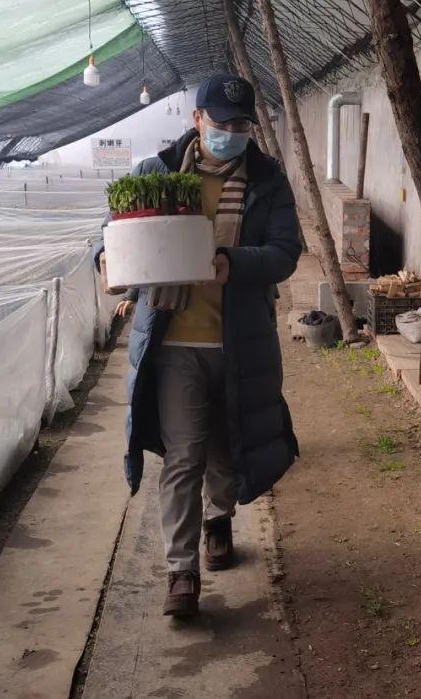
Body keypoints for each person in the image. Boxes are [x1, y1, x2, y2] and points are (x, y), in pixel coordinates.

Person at [95, 73, 302, 618]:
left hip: (238, 341)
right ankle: (180, 572)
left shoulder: (267, 180)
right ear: (196, 121)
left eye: (240, 125)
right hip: (173, 341)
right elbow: (114, 229)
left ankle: (218, 518)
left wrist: (231, 263)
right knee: (184, 453)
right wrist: (104, 259)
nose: (230, 133)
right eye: (220, 122)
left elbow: (284, 253)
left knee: (227, 451)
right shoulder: (156, 173)